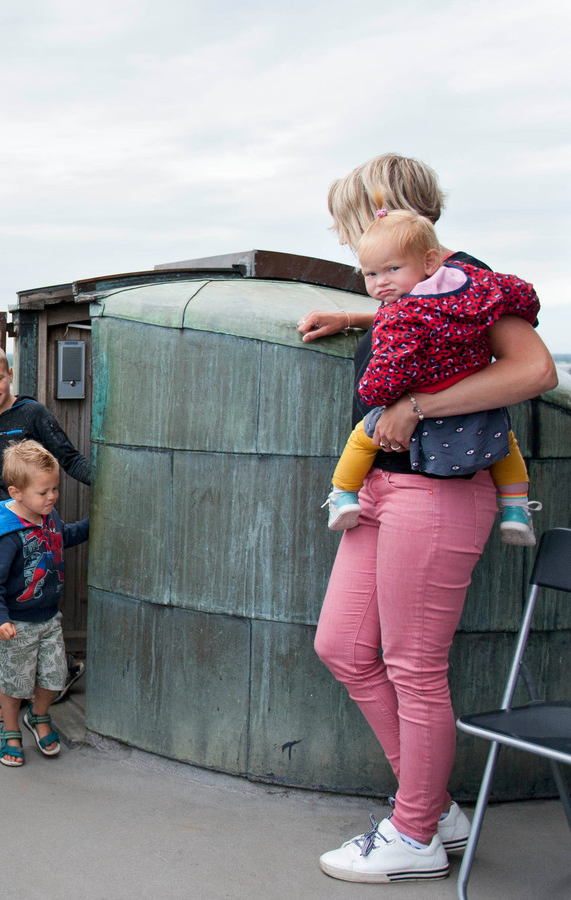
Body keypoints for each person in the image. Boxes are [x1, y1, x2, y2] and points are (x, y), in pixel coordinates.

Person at [300, 155, 558, 883]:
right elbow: (423, 324)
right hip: (380, 490)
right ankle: (433, 806)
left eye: (355, 222)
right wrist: (358, 317)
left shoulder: (475, 281)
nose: (357, 244)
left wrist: (417, 407)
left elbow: (537, 369)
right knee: (344, 647)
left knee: (415, 669)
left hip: (438, 494)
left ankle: (414, 834)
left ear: (385, 209)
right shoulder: (423, 286)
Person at [322, 208, 541, 545]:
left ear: (428, 261)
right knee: (504, 444)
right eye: (371, 274)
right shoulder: (468, 285)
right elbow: (510, 294)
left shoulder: (404, 315)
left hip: (424, 465)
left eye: (391, 269)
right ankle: (515, 507)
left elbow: (391, 366)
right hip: (466, 387)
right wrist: (529, 306)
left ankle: (342, 493)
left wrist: (378, 398)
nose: (381, 281)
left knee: (360, 438)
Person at [0, 341, 89, 720]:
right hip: (1, 528)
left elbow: (66, 457)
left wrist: (106, 484)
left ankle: (52, 674)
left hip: (35, 527)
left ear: (10, 373)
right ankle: (10, 691)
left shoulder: (32, 413)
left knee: (34, 602)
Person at [0, 440, 88, 767]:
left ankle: (39, 717)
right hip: (16, 624)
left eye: (54, 489)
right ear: (16, 493)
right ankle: (11, 731)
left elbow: (64, 537)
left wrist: (95, 524)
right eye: (43, 492)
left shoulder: (48, 517)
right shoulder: (5, 535)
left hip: (50, 618)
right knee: (14, 682)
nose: (51, 497)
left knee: (54, 676)